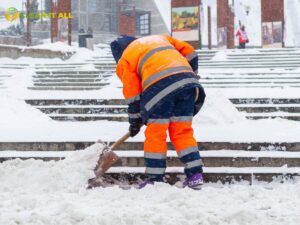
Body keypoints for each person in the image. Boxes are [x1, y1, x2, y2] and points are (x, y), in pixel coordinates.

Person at [110, 35, 206, 189]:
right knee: (183, 132)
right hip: (188, 87)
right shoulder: (161, 38)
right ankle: (195, 175)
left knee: (156, 134)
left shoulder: (125, 59)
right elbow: (191, 53)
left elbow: (133, 95)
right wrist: (190, 73)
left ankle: (155, 179)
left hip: (159, 90)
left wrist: (135, 121)